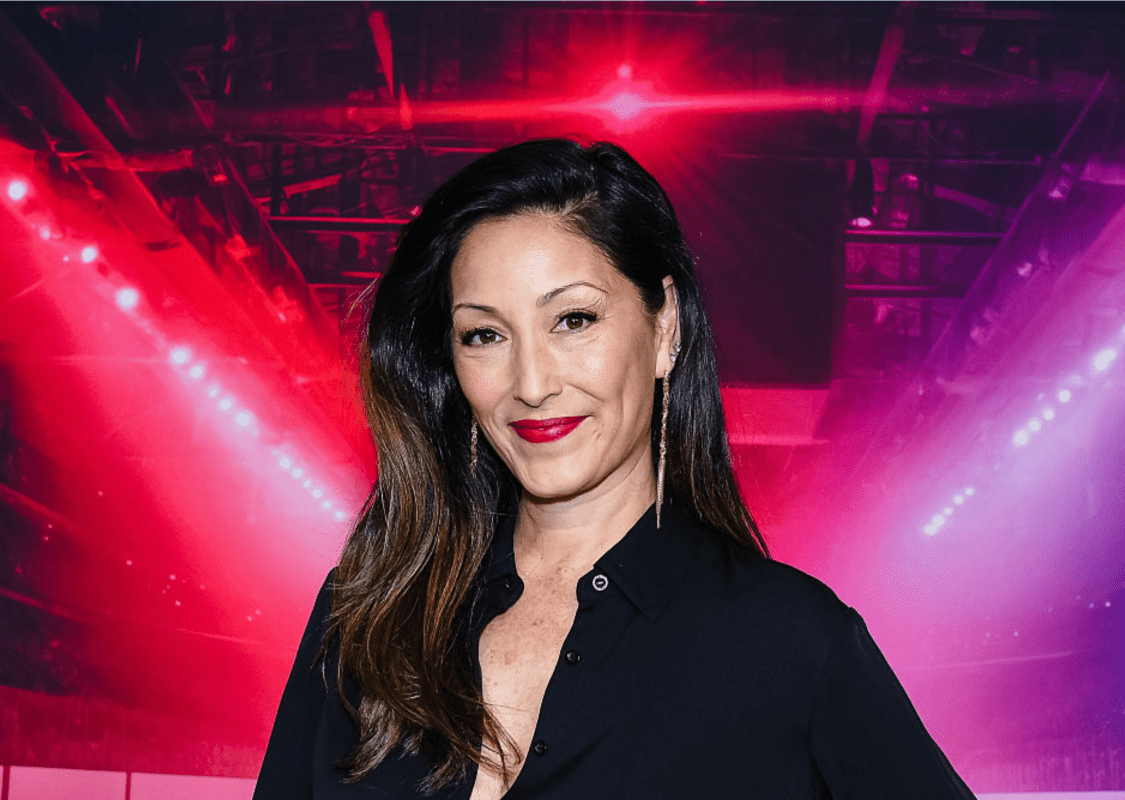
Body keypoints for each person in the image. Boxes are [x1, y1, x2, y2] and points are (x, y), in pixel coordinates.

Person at [253, 139, 976, 799]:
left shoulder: (792, 644)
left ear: (664, 328)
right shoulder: (368, 614)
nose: (531, 383)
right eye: (485, 334)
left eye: (573, 320)